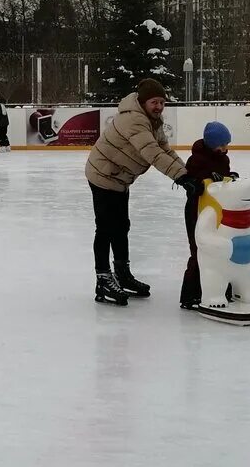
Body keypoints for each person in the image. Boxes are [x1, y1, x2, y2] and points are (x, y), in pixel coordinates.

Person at [85, 78, 195, 306]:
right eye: (154, 102)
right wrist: (181, 178)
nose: (159, 107)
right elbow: (152, 153)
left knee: (121, 226)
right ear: (144, 102)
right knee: (106, 228)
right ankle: (103, 279)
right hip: (103, 174)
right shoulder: (134, 120)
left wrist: (187, 173)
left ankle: (122, 274)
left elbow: (164, 149)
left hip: (119, 177)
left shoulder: (152, 121)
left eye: (162, 102)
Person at [179, 121, 238, 309]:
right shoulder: (196, 160)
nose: (225, 148)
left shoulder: (223, 159)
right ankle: (191, 294)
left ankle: (221, 289)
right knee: (200, 250)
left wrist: (231, 178)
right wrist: (206, 179)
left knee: (221, 250)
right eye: (222, 144)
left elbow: (225, 180)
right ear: (212, 143)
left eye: (227, 144)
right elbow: (193, 186)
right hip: (196, 212)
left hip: (218, 211)